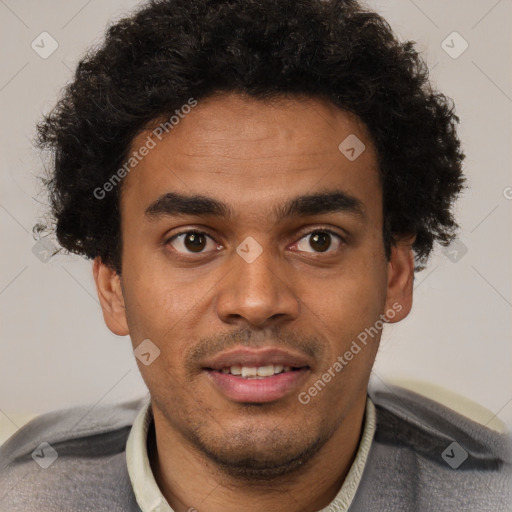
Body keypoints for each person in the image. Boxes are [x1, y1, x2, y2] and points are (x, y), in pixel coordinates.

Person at [0, 0, 510, 510]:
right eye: (193, 240)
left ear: (396, 276)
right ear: (113, 285)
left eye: (319, 240)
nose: (258, 299)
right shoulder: (21, 489)